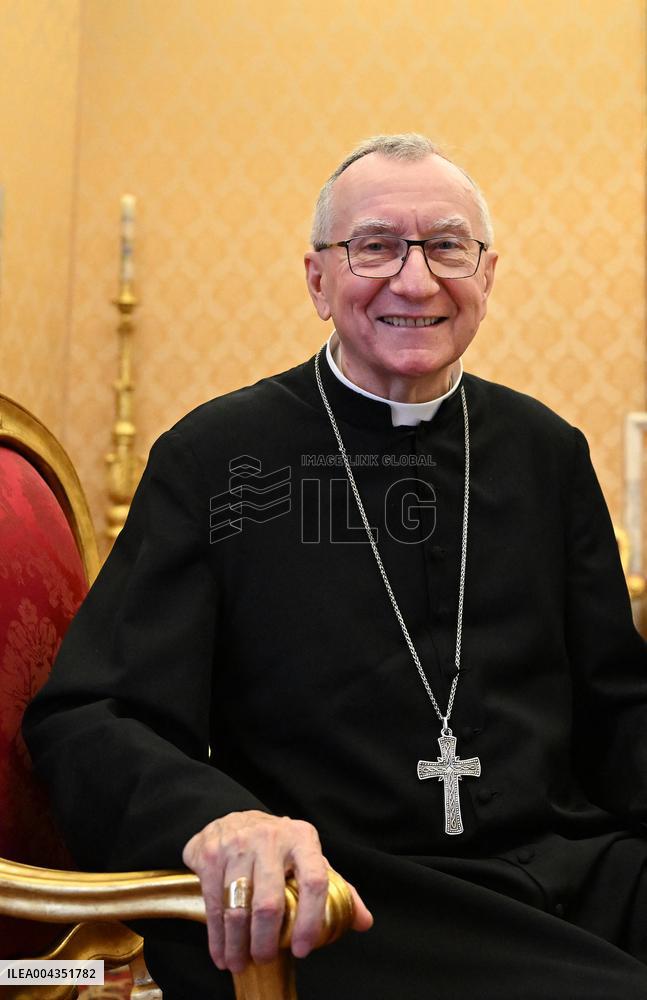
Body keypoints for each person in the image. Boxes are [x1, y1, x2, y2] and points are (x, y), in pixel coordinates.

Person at [23, 134, 647, 1000]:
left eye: (445, 246)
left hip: (575, 876)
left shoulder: (545, 451)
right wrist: (221, 822)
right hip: (346, 896)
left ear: (487, 274)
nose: (415, 279)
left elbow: (619, 711)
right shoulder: (219, 458)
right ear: (317, 280)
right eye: (375, 246)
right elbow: (91, 713)